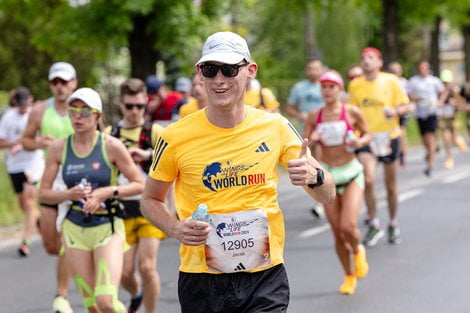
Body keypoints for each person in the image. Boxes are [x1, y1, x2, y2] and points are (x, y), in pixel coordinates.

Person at [141, 31, 335, 313]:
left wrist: (314, 177)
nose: (219, 80)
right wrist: (175, 228)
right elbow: (149, 199)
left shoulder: (275, 127)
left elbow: (327, 194)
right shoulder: (174, 136)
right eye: (210, 70)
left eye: (230, 69)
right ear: (200, 74)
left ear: (250, 71)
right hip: (201, 279)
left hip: (264, 276)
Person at [39, 87, 144, 313]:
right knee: (92, 306)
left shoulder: (111, 146)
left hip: (107, 226)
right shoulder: (59, 147)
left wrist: (106, 192)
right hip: (74, 228)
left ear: (97, 115)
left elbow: (139, 183)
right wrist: (68, 194)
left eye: (85, 111)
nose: (78, 117)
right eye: (73, 110)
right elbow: (43, 193)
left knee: (106, 301)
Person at [303, 71, 370, 295]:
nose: (328, 91)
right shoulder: (314, 116)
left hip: (351, 173)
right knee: (336, 232)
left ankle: (358, 249)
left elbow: (367, 133)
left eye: (332, 86)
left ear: (340, 89)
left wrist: (359, 140)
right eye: (324, 87)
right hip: (328, 176)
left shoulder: (351, 112)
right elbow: (303, 146)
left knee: (347, 227)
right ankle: (349, 276)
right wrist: (314, 140)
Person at [106, 78, 166, 313]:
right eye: (129, 106)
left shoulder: (155, 131)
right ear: (120, 103)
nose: (134, 111)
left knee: (147, 267)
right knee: (124, 271)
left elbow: (173, 161)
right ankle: (136, 293)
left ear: (146, 104)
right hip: (121, 209)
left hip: (149, 207)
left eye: (140, 106)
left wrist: (146, 154)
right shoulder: (111, 133)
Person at [22, 61, 77, 313]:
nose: (59, 87)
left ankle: (61, 297)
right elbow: (25, 141)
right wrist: (41, 143)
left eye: (64, 82)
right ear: (50, 85)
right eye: (55, 82)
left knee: (66, 241)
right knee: (51, 246)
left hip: (77, 181)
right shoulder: (40, 110)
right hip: (50, 181)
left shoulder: (84, 108)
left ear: (73, 83)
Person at [348, 47, 410, 246]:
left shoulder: (391, 81)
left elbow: (407, 106)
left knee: (391, 186)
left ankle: (393, 222)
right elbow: (352, 111)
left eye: (370, 57)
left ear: (379, 62)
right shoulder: (355, 85)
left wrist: (395, 110)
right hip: (367, 137)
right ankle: (374, 221)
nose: (366, 61)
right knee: (368, 178)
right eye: (363, 58)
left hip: (388, 137)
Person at [0, 87, 43, 257]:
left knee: (30, 200)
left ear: (31, 100)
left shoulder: (35, 115)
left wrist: (27, 144)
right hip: (15, 165)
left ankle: (25, 241)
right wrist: (15, 144)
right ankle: (39, 220)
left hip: (33, 164)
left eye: (26, 104)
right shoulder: (8, 117)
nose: (24, 108)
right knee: (23, 204)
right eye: (20, 105)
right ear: (15, 103)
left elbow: (42, 137)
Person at [286, 58, 326, 218]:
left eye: (316, 68)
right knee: (313, 162)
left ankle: (324, 199)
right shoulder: (299, 88)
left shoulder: (327, 85)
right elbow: (290, 107)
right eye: (310, 68)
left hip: (325, 131)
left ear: (321, 69)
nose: (313, 71)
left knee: (324, 162)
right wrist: (300, 114)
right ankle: (320, 199)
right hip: (307, 132)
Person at [407, 60, 444, 177]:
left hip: (432, 111)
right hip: (420, 113)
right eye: (421, 68)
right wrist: (415, 98)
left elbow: (444, 91)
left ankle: (430, 164)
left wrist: (440, 101)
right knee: (424, 140)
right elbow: (408, 94)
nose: (423, 70)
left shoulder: (434, 81)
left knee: (430, 137)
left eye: (425, 68)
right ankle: (432, 149)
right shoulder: (414, 81)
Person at [438, 69, 468, 169]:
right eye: (444, 82)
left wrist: (454, 102)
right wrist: (443, 96)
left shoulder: (455, 92)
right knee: (446, 138)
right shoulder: (440, 92)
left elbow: (462, 105)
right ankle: (449, 157)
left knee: (454, 138)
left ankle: (461, 143)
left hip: (453, 118)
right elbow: (438, 103)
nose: (445, 84)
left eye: (447, 83)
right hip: (443, 119)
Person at [388, 61, 411, 167]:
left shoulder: (404, 83)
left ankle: (402, 155)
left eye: (397, 72)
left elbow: (409, 97)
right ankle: (392, 154)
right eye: (393, 72)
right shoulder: (386, 82)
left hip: (400, 111)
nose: (395, 74)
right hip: (389, 112)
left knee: (401, 133)